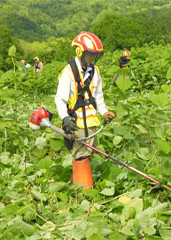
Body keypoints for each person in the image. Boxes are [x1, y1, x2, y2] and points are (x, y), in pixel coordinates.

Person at [55, 31, 115, 189]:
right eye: (90, 54)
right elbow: (60, 99)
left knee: (89, 151)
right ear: (80, 52)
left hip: (92, 123)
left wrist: (104, 112)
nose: (92, 58)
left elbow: (98, 97)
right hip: (77, 123)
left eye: (94, 55)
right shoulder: (68, 73)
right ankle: (84, 188)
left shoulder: (95, 72)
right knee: (81, 153)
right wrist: (65, 118)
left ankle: (79, 182)